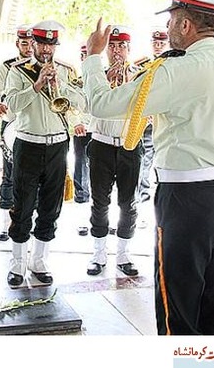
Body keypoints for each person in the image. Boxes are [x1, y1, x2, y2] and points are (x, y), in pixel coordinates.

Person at [81, 0, 214, 335]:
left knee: (179, 314)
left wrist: (93, 57)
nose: (168, 27)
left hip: (189, 201)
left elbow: (102, 104)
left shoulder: (176, 70)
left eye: (172, 19)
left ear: (186, 25)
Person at [4, 20, 86, 287]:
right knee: (23, 205)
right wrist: (37, 85)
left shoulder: (66, 71)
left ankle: (39, 261)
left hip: (58, 145)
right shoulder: (18, 70)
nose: (46, 50)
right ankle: (17, 263)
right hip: (28, 143)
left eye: (51, 45)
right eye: (42, 44)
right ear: (34, 44)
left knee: (51, 206)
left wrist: (62, 85)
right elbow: (12, 105)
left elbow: (82, 102)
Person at [85, 25, 143, 277]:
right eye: (112, 46)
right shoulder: (95, 74)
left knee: (128, 203)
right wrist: (106, 82)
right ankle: (98, 254)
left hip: (129, 145)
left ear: (129, 49)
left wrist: (128, 84)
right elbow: (85, 106)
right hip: (101, 143)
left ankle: (123, 254)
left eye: (121, 46)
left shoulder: (140, 75)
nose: (117, 51)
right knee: (100, 202)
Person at [0, 24, 34, 242]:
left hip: (33, 126)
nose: (29, 47)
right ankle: (6, 224)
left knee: (34, 177)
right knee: (9, 175)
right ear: (17, 44)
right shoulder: (7, 67)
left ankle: (31, 222)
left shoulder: (45, 67)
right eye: (24, 43)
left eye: (32, 43)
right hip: (11, 123)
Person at [135, 29, 170, 205]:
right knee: (146, 157)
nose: (158, 46)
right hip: (148, 121)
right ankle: (142, 193)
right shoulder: (143, 65)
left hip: (167, 119)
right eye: (155, 43)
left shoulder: (173, 64)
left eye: (161, 43)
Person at [72, 44, 91, 205]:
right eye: (84, 55)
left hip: (100, 128)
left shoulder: (104, 77)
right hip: (82, 127)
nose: (87, 58)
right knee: (80, 163)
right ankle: (81, 196)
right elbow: (70, 105)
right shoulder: (76, 81)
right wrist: (76, 122)